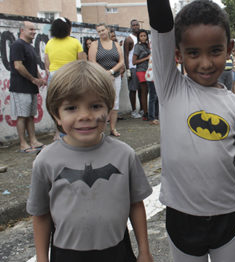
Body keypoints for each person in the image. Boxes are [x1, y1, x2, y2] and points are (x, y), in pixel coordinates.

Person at [147, 0, 235, 261]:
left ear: (229, 49)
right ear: (178, 54)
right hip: (182, 220)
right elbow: (161, 27)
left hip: (229, 220)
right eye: (194, 53)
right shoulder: (170, 88)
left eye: (215, 51)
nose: (206, 63)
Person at [26, 60, 154, 262]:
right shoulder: (46, 160)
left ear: (109, 108)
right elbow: (41, 215)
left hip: (117, 250)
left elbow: (136, 204)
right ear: (56, 115)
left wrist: (144, 251)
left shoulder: (124, 155)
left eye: (95, 106)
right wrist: (42, 259)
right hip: (67, 254)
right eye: (71, 108)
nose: (85, 116)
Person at [44, 17, 85, 141]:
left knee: (56, 106)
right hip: (72, 76)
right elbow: (82, 62)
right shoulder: (75, 42)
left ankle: (59, 132)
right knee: (74, 105)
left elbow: (46, 64)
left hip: (54, 77)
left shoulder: (49, 43)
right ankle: (74, 130)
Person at [9, 21, 46, 153]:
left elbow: (33, 66)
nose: (34, 32)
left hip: (30, 87)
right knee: (22, 116)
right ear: (22, 30)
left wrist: (39, 79)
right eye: (31, 29)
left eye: (34, 29)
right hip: (20, 87)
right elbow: (18, 66)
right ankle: (23, 144)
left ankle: (33, 140)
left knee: (30, 115)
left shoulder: (29, 46)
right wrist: (33, 79)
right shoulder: (17, 45)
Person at [89, 23, 124, 137]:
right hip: (100, 78)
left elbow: (121, 61)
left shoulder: (116, 44)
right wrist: (105, 73)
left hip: (115, 76)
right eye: (99, 31)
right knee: (101, 102)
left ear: (108, 30)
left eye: (103, 30)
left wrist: (111, 72)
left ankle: (113, 128)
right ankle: (100, 129)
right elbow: (92, 61)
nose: (101, 33)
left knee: (115, 102)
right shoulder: (95, 44)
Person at [124, 19, 142, 119]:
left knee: (142, 89)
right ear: (131, 27)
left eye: (137, 25)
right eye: (134, 25)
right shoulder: (129, 39)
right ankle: (134, 110)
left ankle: (142, 109)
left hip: (141, 67)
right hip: (132, 67)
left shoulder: (142, 37)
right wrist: (127, 69)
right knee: (133, 90)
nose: (136, 26)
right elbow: (126, 55)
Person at [132, 29, 151, 122]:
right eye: (141, 36)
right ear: (138, 37)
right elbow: (134, 62)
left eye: (145, 35)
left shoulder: (148, 46)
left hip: (150, 70)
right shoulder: (137, 47)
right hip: (141, 70)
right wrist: (146, 58)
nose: (143, 37)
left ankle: (151, 112)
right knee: (144, 92)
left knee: (150, 92)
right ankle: (145, 113)